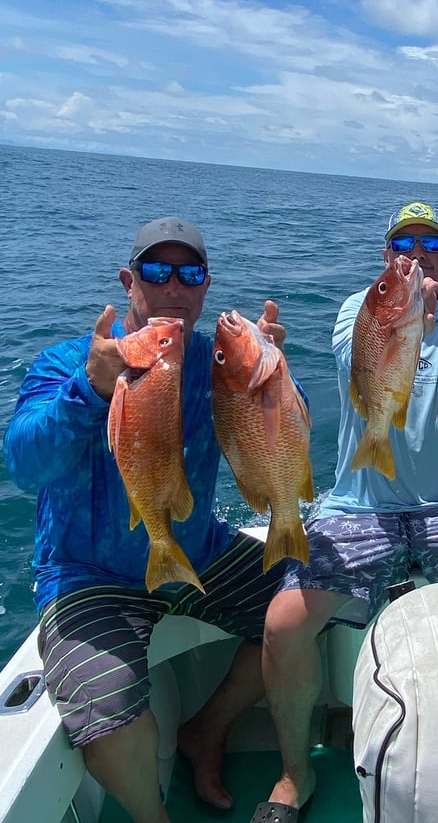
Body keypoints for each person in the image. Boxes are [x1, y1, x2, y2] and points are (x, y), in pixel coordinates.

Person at [255, 201, 438, 822]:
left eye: (431, 243)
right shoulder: (362, 313)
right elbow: (357, 367)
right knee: (283, 622)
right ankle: (294, 773)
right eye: (402, 243)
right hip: (363, 505)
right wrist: (409, 312)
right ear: (387, 257)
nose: (416, 253)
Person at [3, 216, 292, 823]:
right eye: (157, 272)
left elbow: (270, 456)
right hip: (87, 575)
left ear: (205, 286)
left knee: (310, 601)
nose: (174, 287)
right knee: (104, 708)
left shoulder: (216, 365)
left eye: (190, 274)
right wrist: (89, 389)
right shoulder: (69, 363)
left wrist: (267, 382)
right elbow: (24, 461)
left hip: (194, 549)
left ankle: (205, 731)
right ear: (129, 282)